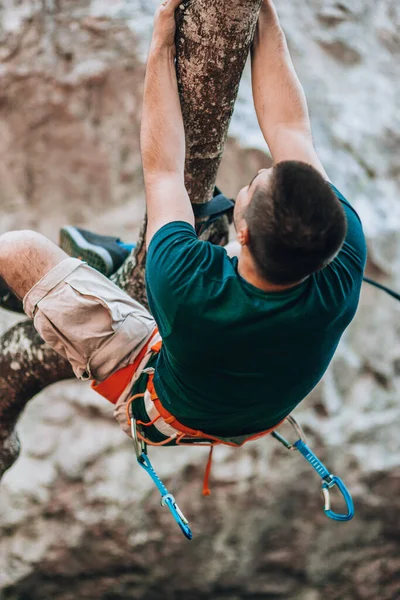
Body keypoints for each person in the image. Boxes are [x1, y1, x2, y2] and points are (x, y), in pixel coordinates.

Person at [0, 0, 366, 447]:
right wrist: (263, 14)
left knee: (15, 250)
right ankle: (113, 267)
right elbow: (290, 128)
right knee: (180, 241)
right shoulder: (341, 251)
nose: (254, 180)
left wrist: (159, 49)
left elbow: (164, 172)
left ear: (244, 233)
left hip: (166, 411)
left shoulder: (187, 283)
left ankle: (97, 279)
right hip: (256, 409)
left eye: (251, 190)